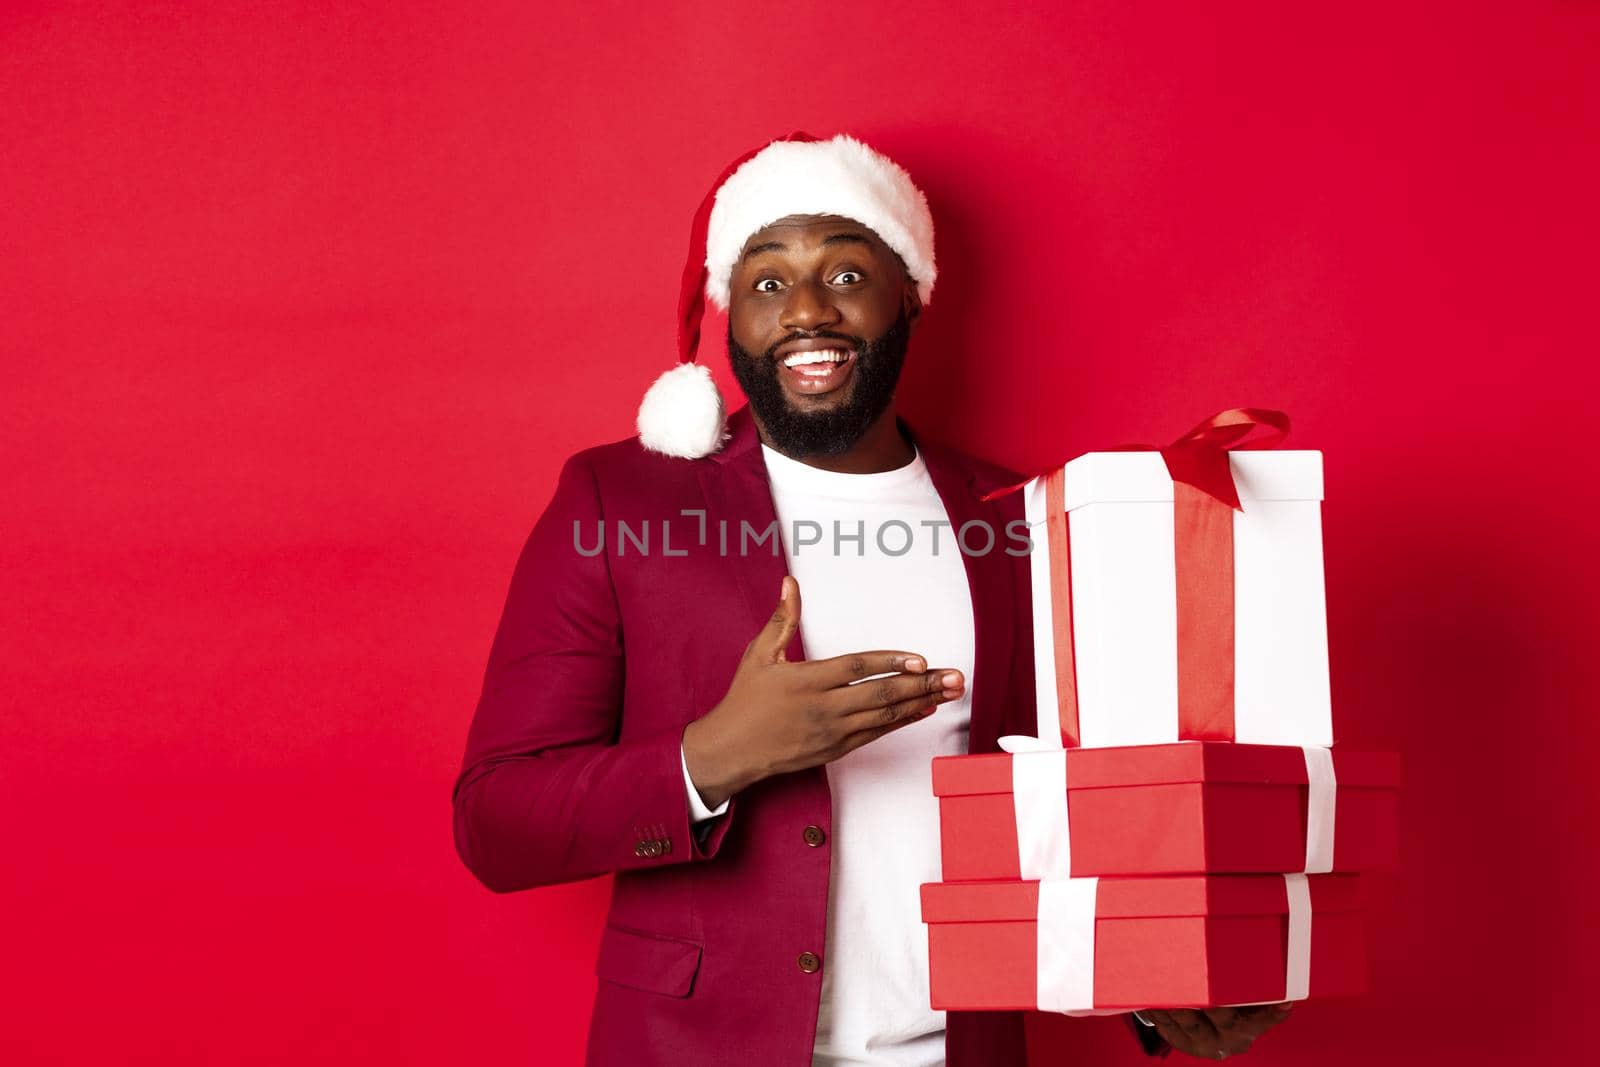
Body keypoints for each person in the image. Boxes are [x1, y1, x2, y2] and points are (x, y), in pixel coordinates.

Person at [451, 132, 1290, 1065]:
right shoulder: (620, 502)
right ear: (731, 314)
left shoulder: (1023, 519)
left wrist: (1157, 983)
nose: (807, 310)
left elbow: (1077, 806)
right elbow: (498, 820)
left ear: (911, 299)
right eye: (768, 282)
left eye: (847, 274)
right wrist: (714, 758)